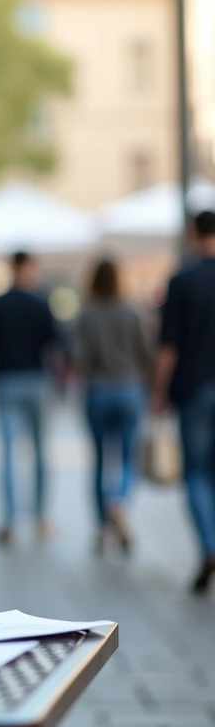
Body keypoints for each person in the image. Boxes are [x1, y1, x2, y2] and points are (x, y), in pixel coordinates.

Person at [0, 251, 65, 545]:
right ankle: (40, 517)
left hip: (5, 381)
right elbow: (55, 344)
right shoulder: (41, 302)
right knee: (40, 451)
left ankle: (10, 520)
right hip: (36, 381)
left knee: (7, 453)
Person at [151, 209, 215, 594]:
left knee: (196, 473)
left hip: (192, 388)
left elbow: (167, 345)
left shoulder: (181, 281)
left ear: (193, 233)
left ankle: (208, 544)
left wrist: (158, 391)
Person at [75, 258, 151, 556]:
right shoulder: (132, 313)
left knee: (99, 460)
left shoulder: (87, 314)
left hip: (98, 390)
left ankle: (101, 526)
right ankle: (119, 500)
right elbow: (145, 354)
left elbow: (79, 358)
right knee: (128, 457)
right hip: (130, 389)